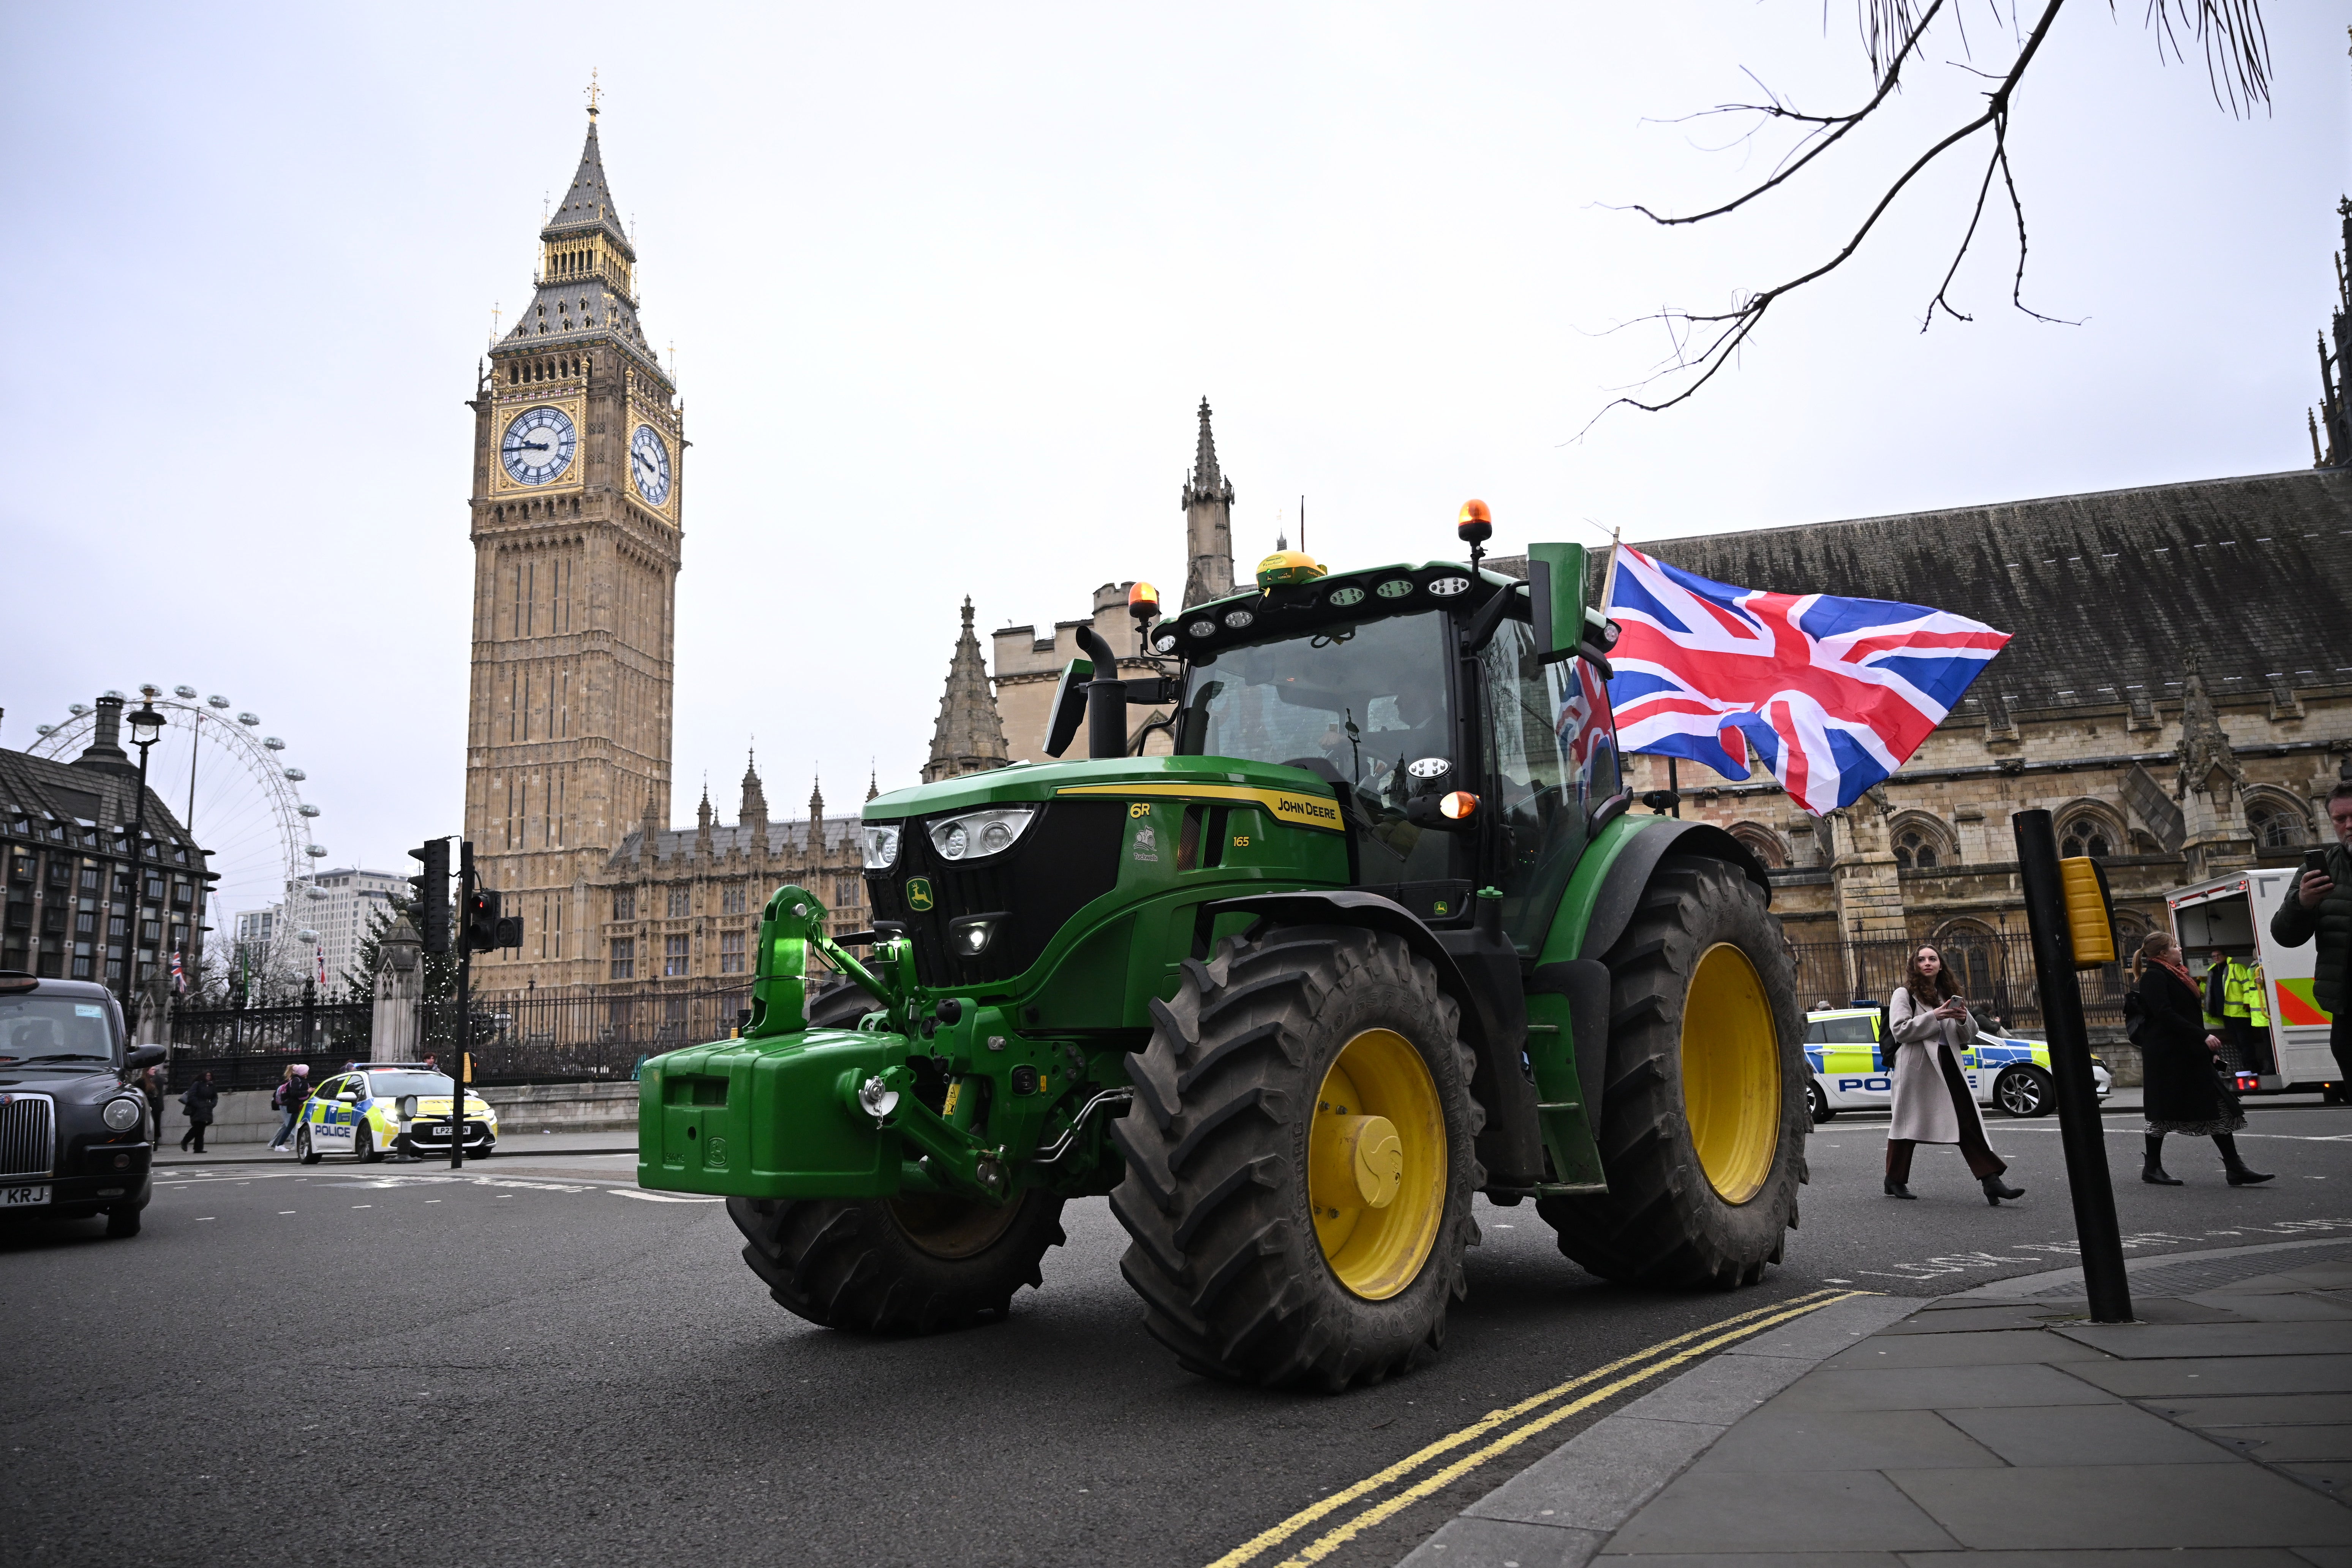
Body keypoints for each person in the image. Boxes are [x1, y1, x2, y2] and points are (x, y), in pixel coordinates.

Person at [2127, 931, 2272, 1185]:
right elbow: (2164, 1014)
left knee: (2216, 1103)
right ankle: (2152, 1167)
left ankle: (2235, 1167)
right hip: (2168, 1056)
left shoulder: (2176, 975)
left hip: (2189, 1052)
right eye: (2174, 946)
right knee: (2162, 1110)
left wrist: (2204, 1046)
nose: (2179, 949)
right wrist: (2202, 1036)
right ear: (2163, 954)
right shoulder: (2155, 977)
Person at [1884, 945, 2025, 1204]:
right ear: (1914, 965)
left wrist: (1962, 1018)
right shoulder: (1904, 994)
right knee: (1906, 1124)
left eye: (1933, 959)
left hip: (1949, 1063)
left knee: (1966, 1120)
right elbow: (1900, 1031)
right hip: (1918, 1067)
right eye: (1922, 959)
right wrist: (1936, 1016)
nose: (1927, 963)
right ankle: (1894, 1180)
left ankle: (1991, 1181)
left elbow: (1967, 1036)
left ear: (1941, 965)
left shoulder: (1947, 994)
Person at [2272, 780, 2352, 1090]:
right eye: (2340, 819)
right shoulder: (2319, 870)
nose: (2349, 825)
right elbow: (2284, 936)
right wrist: (2302, 903)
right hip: (2347, 1010)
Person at [267, 1064, 306, 1151]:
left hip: (284, 1103)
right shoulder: (293, 1080)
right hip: (287, 1104)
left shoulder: (287, 1079)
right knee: (290, 1125)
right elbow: (294, 1093)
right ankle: (295, 1144)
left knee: (286, 1125)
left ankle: (274, 1143)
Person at [177, 1071, 218, 1153]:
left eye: (210, 1076)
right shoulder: (197, 1084)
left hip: (207, 1109)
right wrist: (198, 1105)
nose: (209, 1077)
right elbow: (191, 1096)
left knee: (201, 1128)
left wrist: (212, 1105)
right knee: (197, 1127)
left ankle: (198, 1148)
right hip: (197, 1109)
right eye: (207, 1075)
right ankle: (185, 1141)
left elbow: (215, 1097)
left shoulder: (211, 1086)